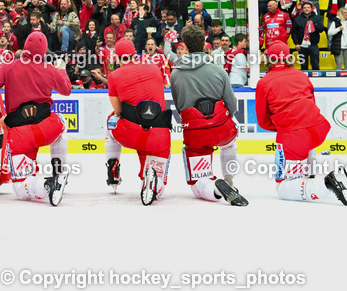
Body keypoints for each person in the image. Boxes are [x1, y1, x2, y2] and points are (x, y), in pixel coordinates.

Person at [255, 41, 347, 204]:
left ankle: (325, 184)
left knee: (284, 187)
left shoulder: (264, 82)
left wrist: (284, 125)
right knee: (306, 142)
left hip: (293, 135)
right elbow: (311, 105)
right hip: (317, 128)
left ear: (268, 59)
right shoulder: (302, 76)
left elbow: (263, 121)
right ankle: (310, 176)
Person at [0, 32, 71, 206]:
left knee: (21, 191)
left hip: (20, 134)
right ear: (44, 51)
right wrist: (62, 70)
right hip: (46, 126)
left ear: (25, 48)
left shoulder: (8, 67)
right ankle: (59, 170)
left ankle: (46, 185)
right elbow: (67, 90)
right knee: (61, 121)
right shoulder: (50, 69)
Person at [168, 25, 246, 205]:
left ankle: (214, 189)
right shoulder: (218, 70)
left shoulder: (175, 74)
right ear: (205, 44)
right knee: (229, 143)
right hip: (222, 128)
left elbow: (180, 107)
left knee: (197, 184)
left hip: (195, 134)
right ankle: (228, 180)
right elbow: (232, 104)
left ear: (185, 47)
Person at [104, 38, 173, 205]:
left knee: (111, 120)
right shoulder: (155, 68)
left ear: (117, 57)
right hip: (159, 133)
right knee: (158, 191)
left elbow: (118, 110)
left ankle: (113, 167)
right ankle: (151, 180)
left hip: (132, 133)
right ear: (135, 54)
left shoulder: (114, 76)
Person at [327, 6, 347, 70]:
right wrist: (338, 29)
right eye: (345, 12)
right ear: (341, 13)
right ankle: (338, 79)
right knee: (339, 64)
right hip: (338, 47)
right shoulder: (335, 22)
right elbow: (329, 33)